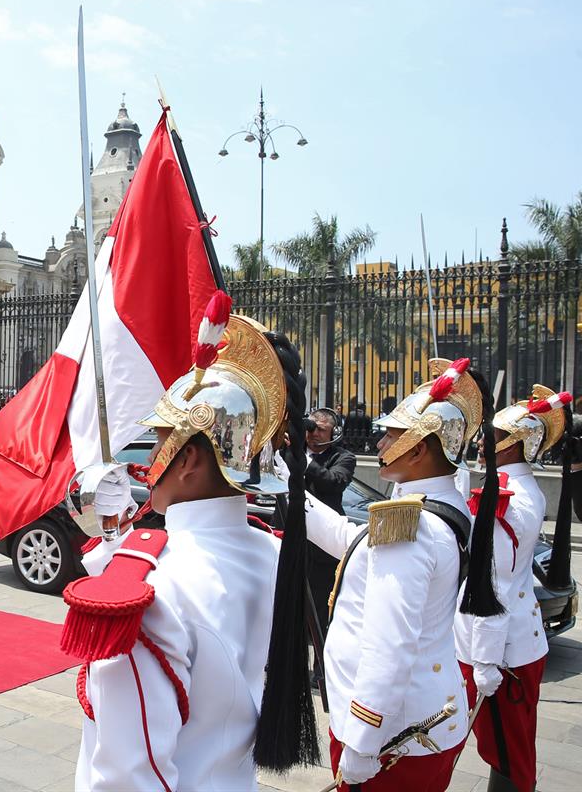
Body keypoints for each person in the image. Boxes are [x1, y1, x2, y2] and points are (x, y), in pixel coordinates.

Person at [69, 301, 320, 789]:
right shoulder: (268, 551)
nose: (149, 451)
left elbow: (126, 778)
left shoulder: (156, 596)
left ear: (186, 461)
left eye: (161, 437)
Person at [304, 357, 504, 791]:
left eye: (391, 435)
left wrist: (362, 741)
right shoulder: (430, 508)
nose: (379, 444)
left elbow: (388, 644)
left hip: (391, 738)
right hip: (414, 722)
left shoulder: (412, 527)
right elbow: (350, 540)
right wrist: (289, 478)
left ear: (418, 449)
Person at [456, 385, 574, 792]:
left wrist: (486, 659)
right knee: (509, 750)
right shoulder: (517, 488)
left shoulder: (506, 497)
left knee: (509, 756)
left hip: (502, 653)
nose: (480, 444)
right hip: (516, 644)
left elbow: (494, 583)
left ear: (511, 445)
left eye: (489, 437)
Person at [304, 407, 357, 647]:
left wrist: (304, 461)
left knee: (321, 609)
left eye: (321, 431)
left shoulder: (343, 457)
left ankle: (321, 669)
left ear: (333, 434)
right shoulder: (288, 452)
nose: (314, 434)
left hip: (323, 549)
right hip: (294, 539)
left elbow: (333, 483)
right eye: (311, 428)